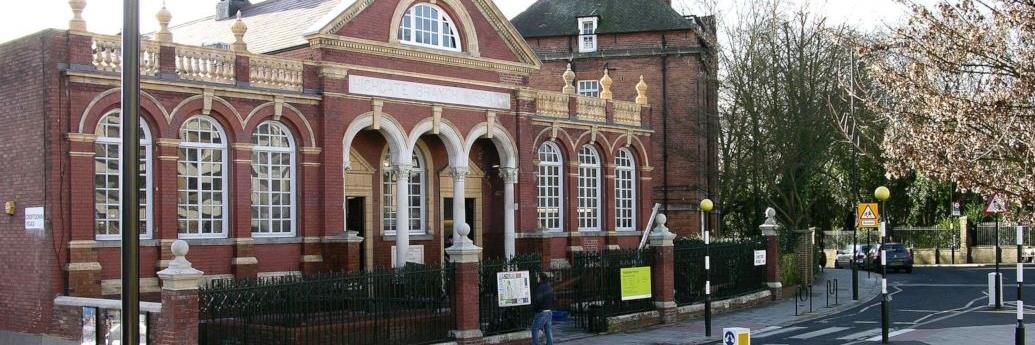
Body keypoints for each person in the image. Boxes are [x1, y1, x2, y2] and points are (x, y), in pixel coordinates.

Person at [531, 271, 556, 345]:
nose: (537, 279)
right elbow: (554, 299)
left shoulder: (540, 287)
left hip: (541, 311)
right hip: (549, 311)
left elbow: (538, 300)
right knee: (548, 329)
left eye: (538, 277)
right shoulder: (550, 287)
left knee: (535, 329)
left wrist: (535, 309)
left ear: (541, 278)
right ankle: (550, 343)